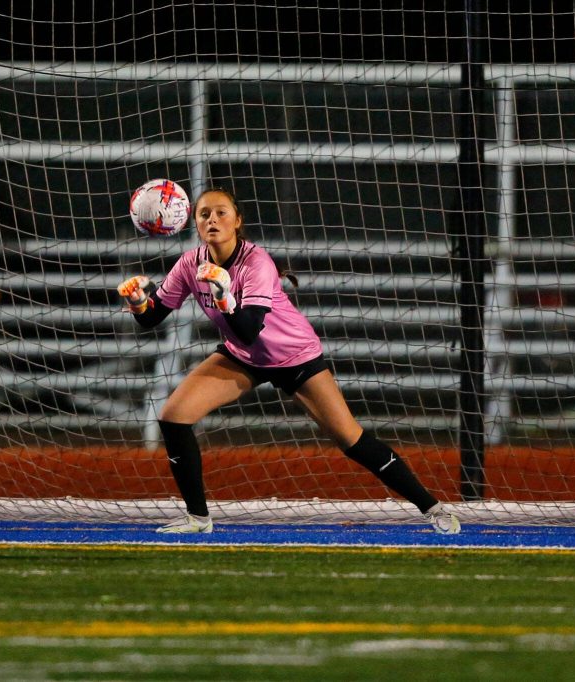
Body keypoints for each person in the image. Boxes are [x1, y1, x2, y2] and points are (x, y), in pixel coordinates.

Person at [118, 186, 460, 535]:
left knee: (351, 439)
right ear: (194, 222)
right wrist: (137, 300)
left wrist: (223, 294)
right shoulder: (191, 263)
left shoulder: (256, 262)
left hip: (294, 356)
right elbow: (151, 317)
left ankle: (433, 508)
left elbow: (249, 327)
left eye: (221, 212)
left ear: (238, 221)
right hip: (244, 356)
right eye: (205, 214)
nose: (212, 219)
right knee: (174, 417)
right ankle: (198, 519)